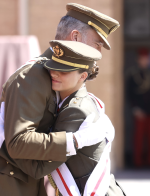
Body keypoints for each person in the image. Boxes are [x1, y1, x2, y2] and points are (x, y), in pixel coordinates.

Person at [0, 3, 124, 196]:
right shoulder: (34, 76)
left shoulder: (58, 79)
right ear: (75, 38)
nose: (98, 54)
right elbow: (17, 143)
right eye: (97, 44)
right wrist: (74, 140)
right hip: (3, 179)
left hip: (24, 177)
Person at [44, 40, 125, 196]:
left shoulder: (75, 109)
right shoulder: (80, 100)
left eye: (64, 71)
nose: (54, 73)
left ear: (83, 76)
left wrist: (4, 138)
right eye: (53, 68)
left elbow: (47, 158)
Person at [126, 49, 150, 167]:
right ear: (138, 59)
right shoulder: (132, 74)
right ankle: (137, 162)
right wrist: (135, 108)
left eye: (147, 59)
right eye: (143, 58)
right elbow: (129, 93)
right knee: (138, 138)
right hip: (138, 110)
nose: (145, 61)